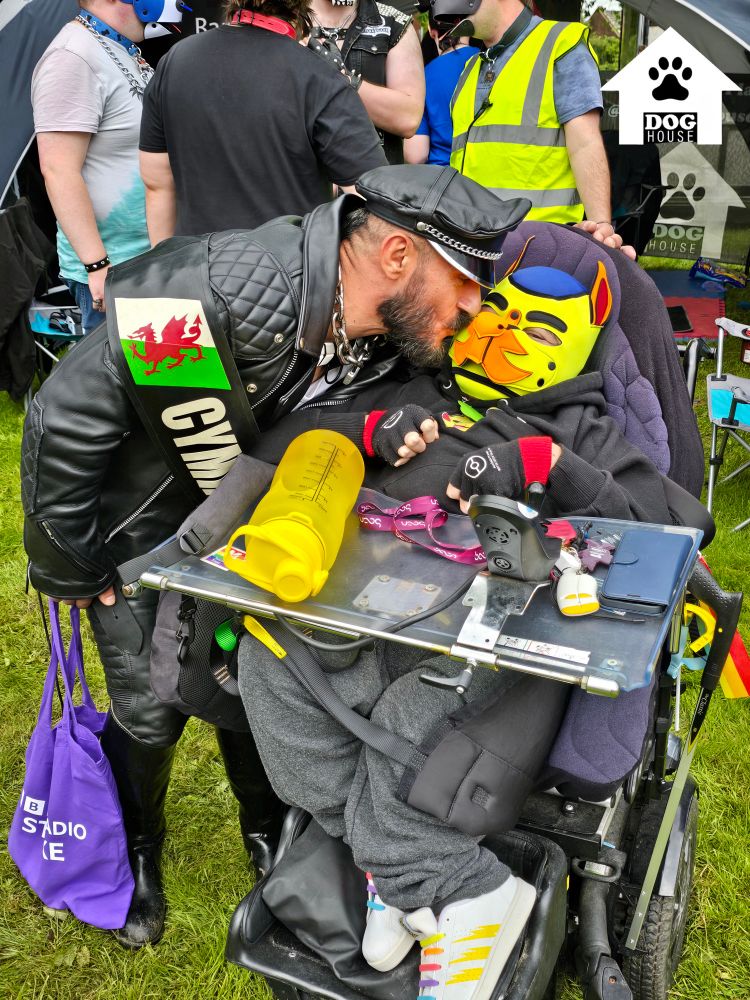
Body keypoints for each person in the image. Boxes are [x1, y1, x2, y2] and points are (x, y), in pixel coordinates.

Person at [20, 165, 533, 950]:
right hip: (141, 537)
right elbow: (65, 415)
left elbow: (332, 413)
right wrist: (68, 566)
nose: (473, 309)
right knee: (152, 708)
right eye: (465, 285)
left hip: (255, 533)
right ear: (397, 256)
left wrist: (383, 423)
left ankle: (268, 839)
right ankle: (135, 851)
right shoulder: (227, 290)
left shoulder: (387, 329)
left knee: (243, 685)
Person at [235, 226, 692, 1000]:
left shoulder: (585, 427)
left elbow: (665, 522)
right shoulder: (421, 393)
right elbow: (291, 443)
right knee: (269, 666)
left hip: (496, 642)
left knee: (415, 716)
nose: (507, 337)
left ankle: (473, 893)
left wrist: (547, 465)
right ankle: (405, 873)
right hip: (379, 609)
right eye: (495, 312)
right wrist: (373, 429)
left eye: (540, 327)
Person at [139, 0, 388, 242]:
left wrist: (165, 272)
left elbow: (157, 185)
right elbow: (378, 198)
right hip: (288, 274)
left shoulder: (175, 60)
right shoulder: (318, 76)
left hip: (195, 272)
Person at [31, 0, 184, 334]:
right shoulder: (72, 57)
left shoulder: (119, 48)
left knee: (167, 384)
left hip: (151, 264)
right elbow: (58, 170)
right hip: (116, 274)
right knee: (130, 385)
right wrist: (97, 267)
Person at [431, 0, 611, 225]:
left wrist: (601, 225)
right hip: (475, 240)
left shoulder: (561, 43)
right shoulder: (470, 69)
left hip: (541, 242)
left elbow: (585, 144)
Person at [305, 0, 425, 164]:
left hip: (372, 181)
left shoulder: (394, 23)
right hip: (305, 176)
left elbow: (408, 118)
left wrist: (341, 79)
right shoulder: (287, 20)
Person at [404, 15, 479, 166]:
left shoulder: (424, 77)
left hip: (441, 180)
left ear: (432, 32)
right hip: (484, 175)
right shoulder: (493, 62)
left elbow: (416, 156)